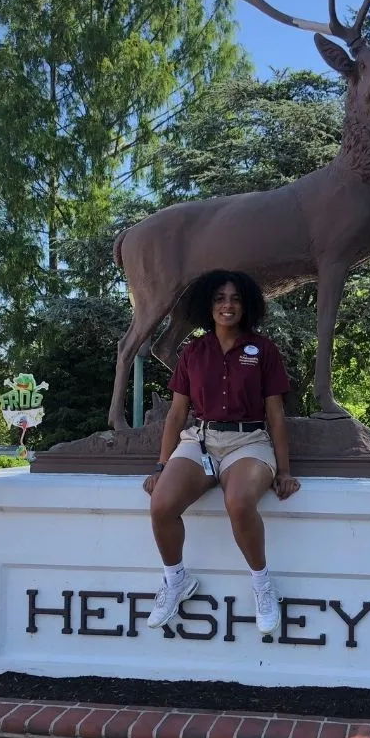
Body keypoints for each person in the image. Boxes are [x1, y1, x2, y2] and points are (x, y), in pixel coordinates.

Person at [142, 269, 301, 635]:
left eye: (235, 299)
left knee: (239, 501)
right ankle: (175, 580)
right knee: (162, 504)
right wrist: (162, 465)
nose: (227, 306)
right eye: (219, 299)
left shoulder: (263, 350)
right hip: (201, 440)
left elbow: (276, 415)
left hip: (249, 442)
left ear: (246, 306)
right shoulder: (193, 352)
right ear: (208, 306)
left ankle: (262, 586)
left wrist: (285, 470)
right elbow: (177, 413)